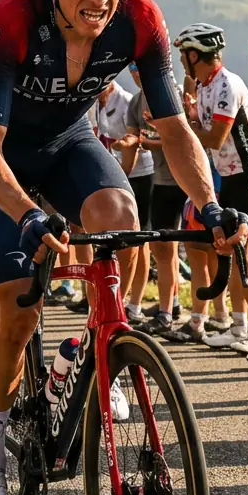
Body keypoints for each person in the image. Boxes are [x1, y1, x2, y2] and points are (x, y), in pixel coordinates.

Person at [0, 0, 247, 495]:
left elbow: (175, 129)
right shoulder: (11, 16)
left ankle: (100, 345)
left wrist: (209, 205)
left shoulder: (141, 20)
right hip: (2, 157)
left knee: (121, 215)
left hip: (70, 146)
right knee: (18, 307)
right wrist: (30, 215)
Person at [172, 23, 248, 355]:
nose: (181, 60)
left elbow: (213, 137)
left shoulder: (227, 84)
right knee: (224, 249)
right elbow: (204, 129)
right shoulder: (204, 86)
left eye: (183, 54)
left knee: (243, 250)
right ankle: (239, 325)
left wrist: (183, 128)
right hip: (228, 175)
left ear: (195, 54)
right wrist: (190, 121)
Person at [121, 63, 188, 337]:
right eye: (132, 67)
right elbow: (130, 159)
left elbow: (184, 138)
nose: (137, 72)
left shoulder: (173, 94)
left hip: (185, 178)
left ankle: (170, 313)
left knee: (172, 249)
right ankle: (168, 306)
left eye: (141, 66)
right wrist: (128, 148)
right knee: (163, 248)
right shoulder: (136, 103)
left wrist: (147, 141)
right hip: (162, 180)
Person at [94, 78, 153, 325]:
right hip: (116, 173)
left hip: (139, 173)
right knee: (119, 239)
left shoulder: (127, 100)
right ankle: (115, 299)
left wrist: (123, 168)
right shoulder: (95, 102)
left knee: (140, 240)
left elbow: (139, 142)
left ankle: (135, 304)